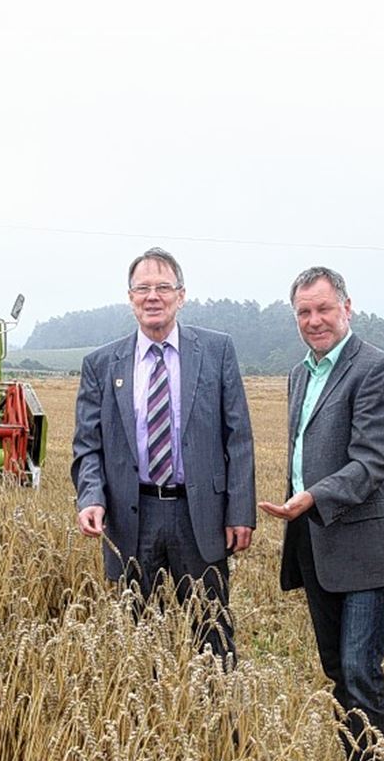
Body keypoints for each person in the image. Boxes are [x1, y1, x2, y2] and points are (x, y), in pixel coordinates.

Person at [259, 266, 384, 761]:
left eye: (324, 308)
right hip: (313, 541)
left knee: (360, 670)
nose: (314, 320)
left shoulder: (378, 371)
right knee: (336, 671)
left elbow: (373, 461)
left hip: (364, 547)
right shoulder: (300, 373)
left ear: (348, 307)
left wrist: (313, 497)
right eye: (304, 311)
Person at [71, 247, 255, 663]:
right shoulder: (101, 364)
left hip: (199, 514)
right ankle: (145, 720)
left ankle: (219, 719)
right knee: (134, 636)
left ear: (181, 295)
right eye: (143, 288)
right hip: (132, 515)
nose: (152, 296)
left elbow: (238, 438)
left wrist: (240, 511)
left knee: (212, 632)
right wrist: (91, 497)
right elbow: (88, 446)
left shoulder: (216, 351)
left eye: (163, 287)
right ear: (130, 297)